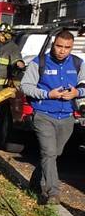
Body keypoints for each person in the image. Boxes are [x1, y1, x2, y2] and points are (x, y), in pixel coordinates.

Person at [20, 29, 85, 204]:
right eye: (59, 46)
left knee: (54, 154)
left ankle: (35, 182)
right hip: (43, 115)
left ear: (71, 48)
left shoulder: (78, 63)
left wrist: (76, 93)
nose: (62, 50)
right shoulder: (39, 62)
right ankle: (53, 193)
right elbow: (25, 87)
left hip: (67, 117)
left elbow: (84, 86)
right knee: (48, 153)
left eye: (67, 47)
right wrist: (49, 95)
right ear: (53, 44)